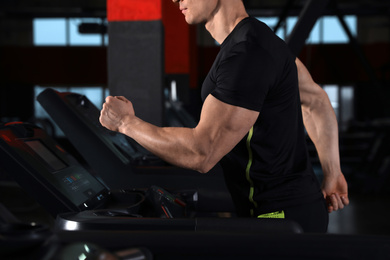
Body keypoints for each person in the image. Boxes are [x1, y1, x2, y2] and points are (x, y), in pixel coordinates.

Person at [100, 0, 349, 232]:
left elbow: (202, 152)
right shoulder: (260, 41)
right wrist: (333, 173)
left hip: (279, 219)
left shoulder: (247, 54)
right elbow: (315, 101)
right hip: (292, 210)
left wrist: (126, 123)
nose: (174, 0)